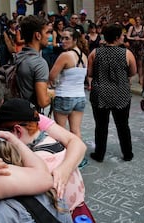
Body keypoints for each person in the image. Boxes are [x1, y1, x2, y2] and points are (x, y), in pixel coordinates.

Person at [87, 24, 137, 162]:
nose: (123, 37)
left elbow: (90, 73)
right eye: (121, 35)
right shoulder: (127, 53)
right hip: (121, 93)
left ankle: (99, 154)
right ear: (116, 38)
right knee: (123, 125)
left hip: (100, 93)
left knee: (101, 126)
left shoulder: (95, 53)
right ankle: (127, 153)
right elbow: (133, 71)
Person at [49, 27, 88, 168]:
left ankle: (65, 160)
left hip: (64, 96)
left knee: (61, 132)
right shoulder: (84, 55)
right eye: (62, 38)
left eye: (67, 38)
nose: (63, 41)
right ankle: (79, 159)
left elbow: (51, 76)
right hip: (79, 98)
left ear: (75, 40)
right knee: (76, 131)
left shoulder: (65, 56)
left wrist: (53, 83)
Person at [16, 15, 51, 110]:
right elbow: (42, 102)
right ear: (38, 35)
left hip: (16, 111)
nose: (49, 36)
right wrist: (53, 95)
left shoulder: (17, 56)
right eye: (47, 33)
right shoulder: (39, 63)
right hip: (29, 116)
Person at [127, 15, 144, 86]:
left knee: (140, 64)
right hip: (132, 48)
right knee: (130, 63)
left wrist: (140, 39)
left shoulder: (143, 28)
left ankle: (140, 79)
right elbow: (128, 36)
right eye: (136, 20)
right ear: (134, 21)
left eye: (139, 20)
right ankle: (128, 79)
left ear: (141, 21)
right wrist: (134, 38)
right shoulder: (131, 28)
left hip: (140, 48)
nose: (138, 21)